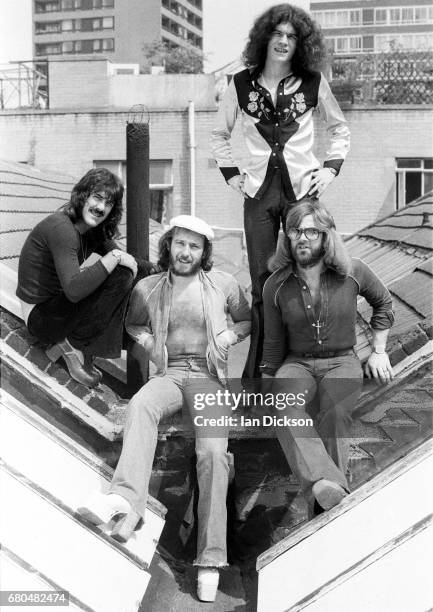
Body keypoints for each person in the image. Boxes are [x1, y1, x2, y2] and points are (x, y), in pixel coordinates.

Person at [78, 215, 251, 602]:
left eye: (194, 246)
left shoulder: (223, 284)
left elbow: (247, 319)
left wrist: (229, 333)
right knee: (140, 405)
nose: (186, 252)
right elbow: (134, 325)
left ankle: (210, 560)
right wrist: (148, 342)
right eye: (180, 244)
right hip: (170, 375)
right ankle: (124, 497)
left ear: (204, 252)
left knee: (212, 455)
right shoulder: (148, 287)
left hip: (209, 379)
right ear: (169, 245)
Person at [211, 3, 350, 379]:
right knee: (261, 283)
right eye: (278, 34)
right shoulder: (239, 84)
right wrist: (231, 174)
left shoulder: (313, 83)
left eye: (292, 36)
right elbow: (218, 135)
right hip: (257, 194)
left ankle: (305, 365)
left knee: (305, 278)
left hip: (302, 196)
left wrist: (330, 170)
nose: (284, 41)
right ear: (265, 38)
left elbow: (340, 130)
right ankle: (258, 375)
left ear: (300, 43)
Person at [260, 199, 394, 515]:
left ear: (325, 235)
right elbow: (274, 343)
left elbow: (384, 304)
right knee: (283, 405)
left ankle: (324, 501)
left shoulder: (354, 271)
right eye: (294, 231)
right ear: (287, 237)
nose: (302, 238)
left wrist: (378, 351)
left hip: (342, 361)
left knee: (334, 411)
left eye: (310, 231)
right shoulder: (275, 286)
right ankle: (330, 489)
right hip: (297, 363)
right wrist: (267, 383)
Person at [16, 167, 146, 388]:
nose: (100, 207)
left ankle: (87, 345)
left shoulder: (92, 231)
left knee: (135, 274)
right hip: (41, 318)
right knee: (121, 273)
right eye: (97, 198)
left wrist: (163, 272)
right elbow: (74, 290)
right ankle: (77, 343)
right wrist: (114, 256)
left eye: (108, 203)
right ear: (83, 196)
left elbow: (132, 261)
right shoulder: (61, 227)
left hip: (57, 310)